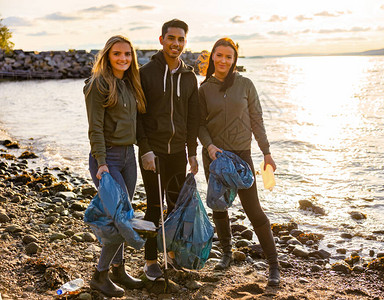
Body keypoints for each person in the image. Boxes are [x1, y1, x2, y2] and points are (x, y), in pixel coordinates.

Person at [198, 38, 280, 286]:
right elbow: (199, 123)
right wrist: (209, 146)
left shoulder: (245, 85)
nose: (223, 60)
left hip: (242, 157)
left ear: (234, 60)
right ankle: (225, 253)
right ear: (212, 57)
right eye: (219, 55)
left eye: (229, 57)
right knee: (219, 207)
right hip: (214, 156)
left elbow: (257, 119)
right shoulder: (204, 89)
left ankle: (274, 265)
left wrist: (266, 152)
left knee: (254, 210)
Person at [137, 19, 199, 280]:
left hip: (178, 154)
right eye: (171, 38)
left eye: (181, 39)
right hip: (154, 153)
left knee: (175, 207)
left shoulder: (189, 76)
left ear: (185, 42)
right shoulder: (145, 73)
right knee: (153, 207)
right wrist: (146, 149)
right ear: (161, 40)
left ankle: (171, 255)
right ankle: (150, 260)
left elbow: (192, 118)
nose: (176, 43)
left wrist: (193, 152)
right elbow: (138, 117)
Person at [84, 35, 146, 297]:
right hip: (107, 159)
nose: (123, 58)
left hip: (129, 157)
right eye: (117, 54)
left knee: (125, 215)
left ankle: (119, 269)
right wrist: (101, 163)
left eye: (128, 54)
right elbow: (94, 128)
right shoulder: (98, 85)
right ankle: (100, 275)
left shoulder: (130, 83)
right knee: (121, 219)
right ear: (107, 56)